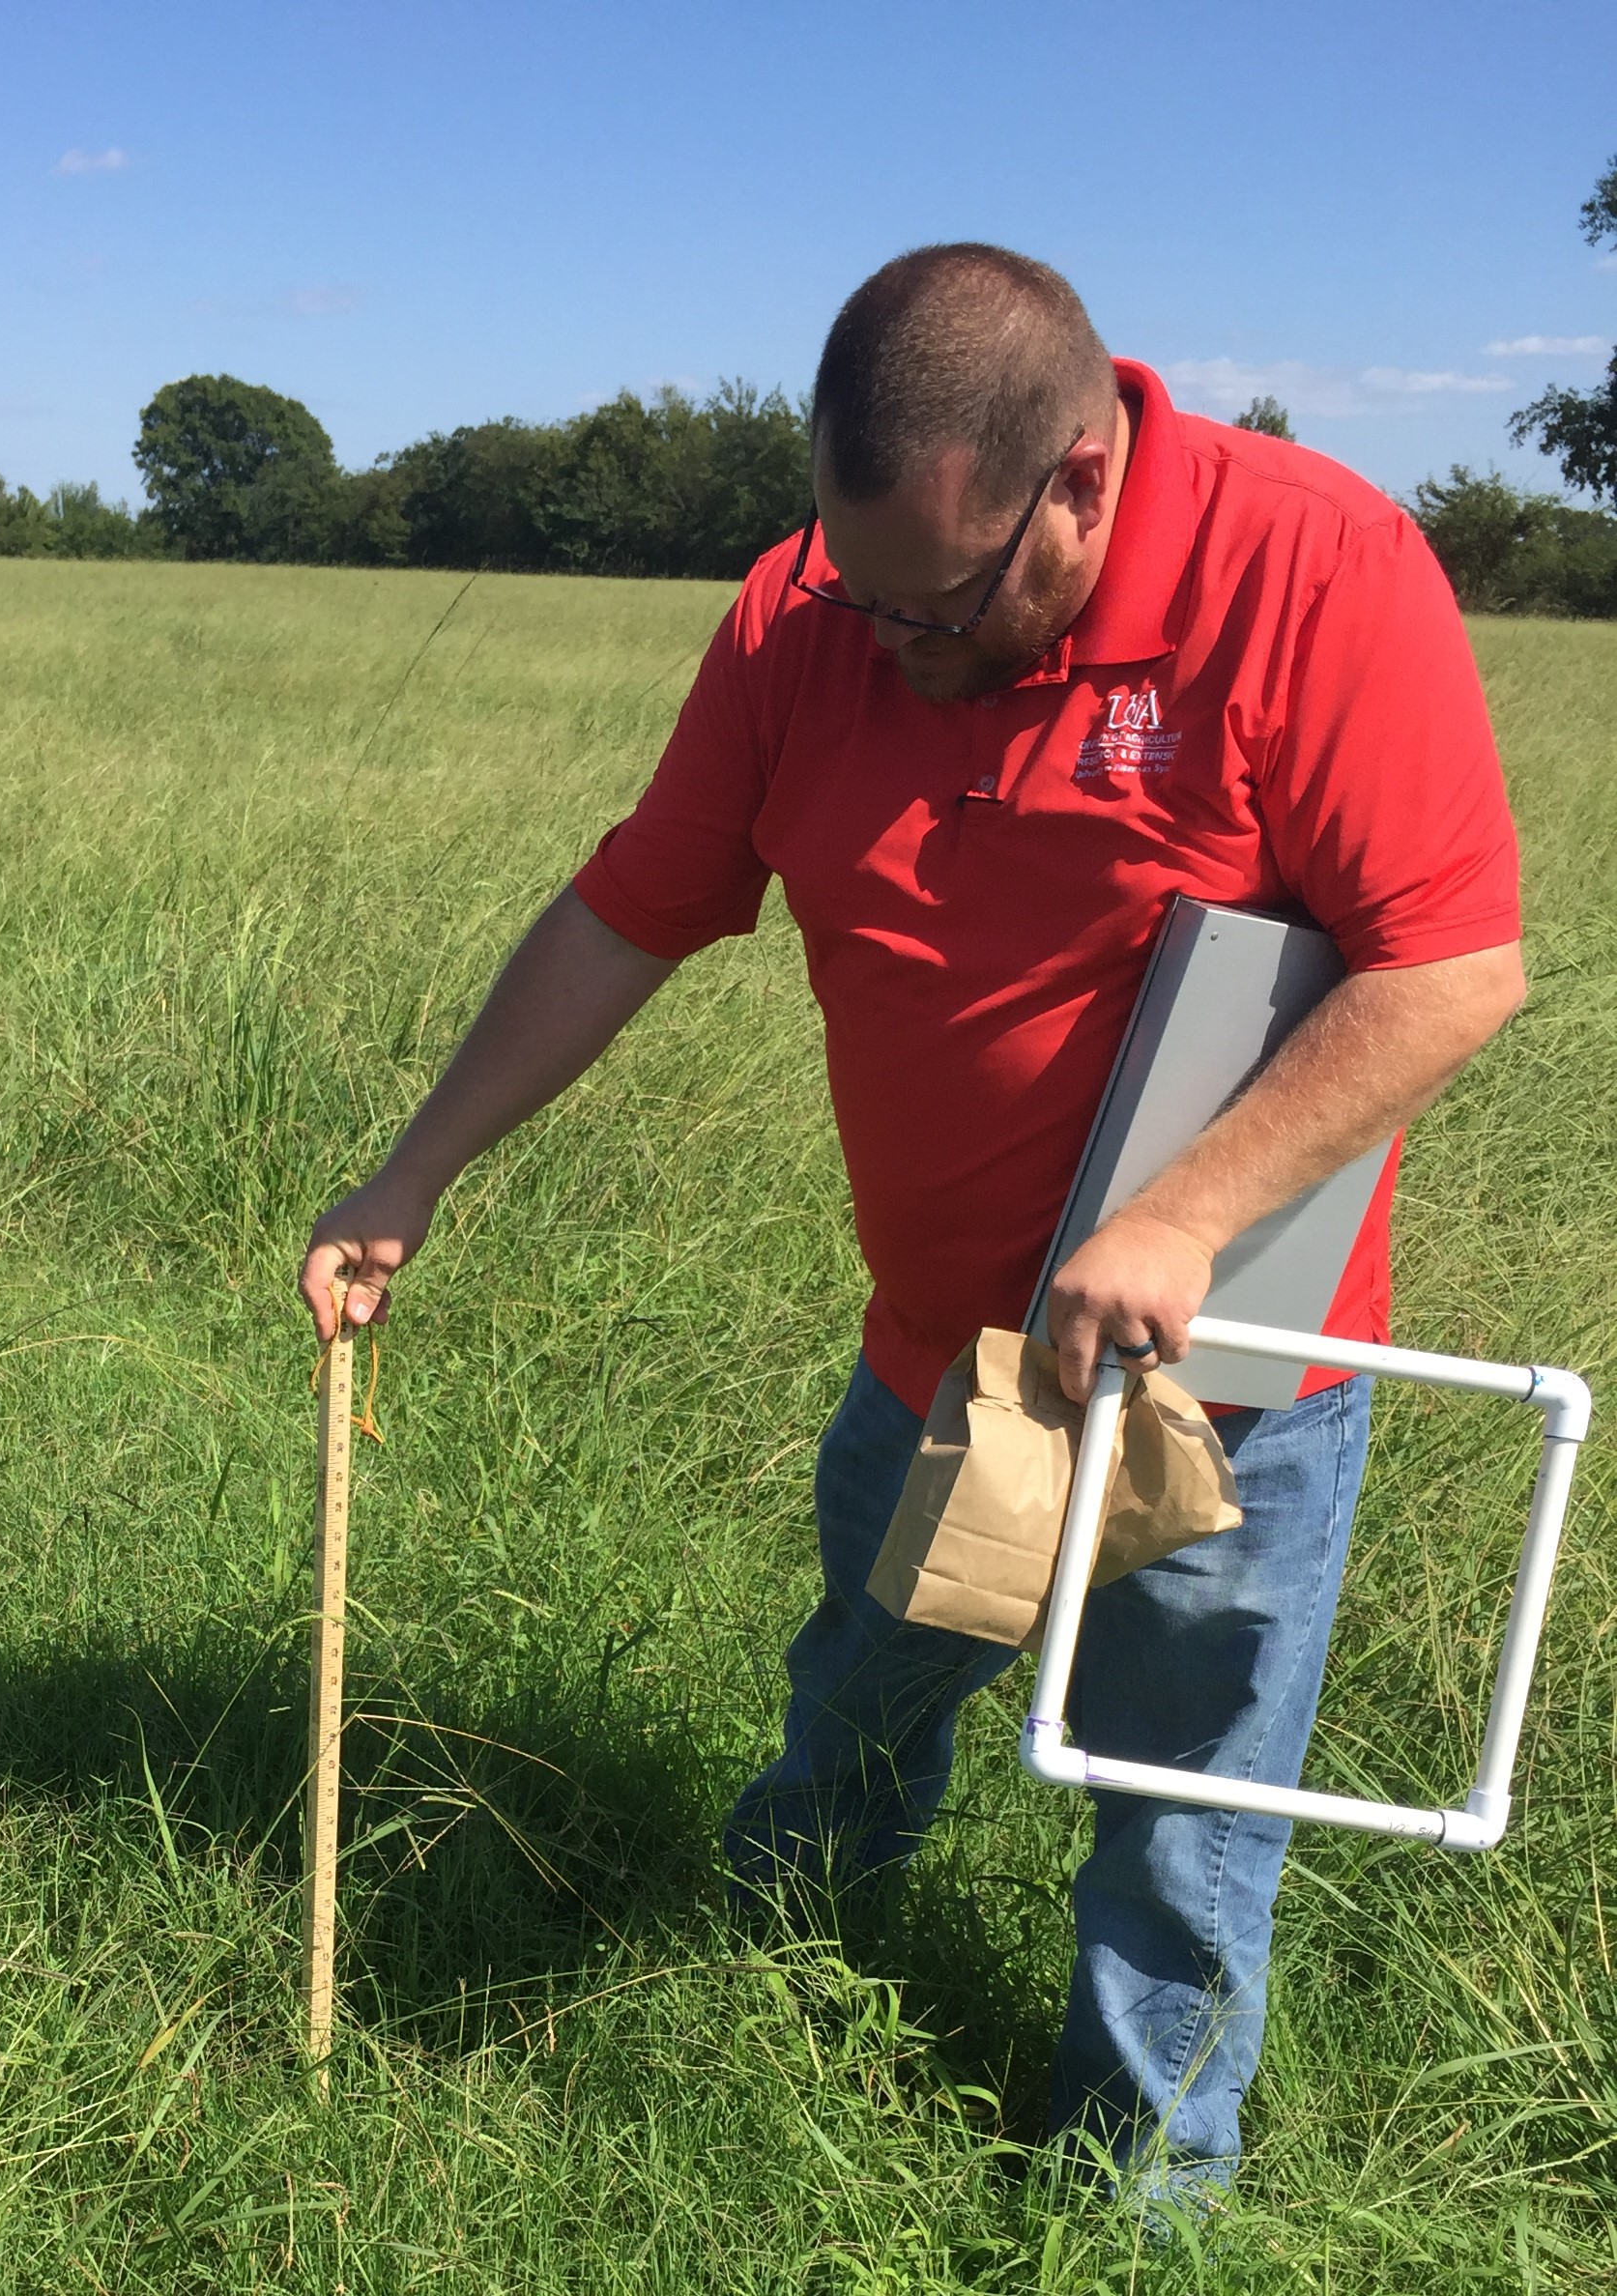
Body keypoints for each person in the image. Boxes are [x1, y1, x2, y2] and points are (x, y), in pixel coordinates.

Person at [300, 245, 1524, 2208]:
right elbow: (633, 905)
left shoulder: (1317, 570)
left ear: (1081, 485)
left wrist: (1182, 1218)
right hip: (937, 1363)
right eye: (852, 584)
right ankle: (762, 1985)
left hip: (1214, 1388)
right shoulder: (814, 614)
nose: (889, 641)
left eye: (937, 603)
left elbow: (1449, 970)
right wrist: (410, 1171)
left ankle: (1136, 2200)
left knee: (1179, 1820)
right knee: (854, 1713)